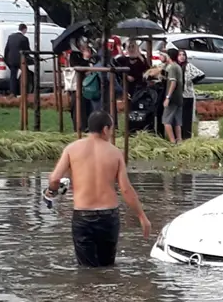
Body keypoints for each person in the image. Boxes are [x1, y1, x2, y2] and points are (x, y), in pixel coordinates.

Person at [45, 111, 151, 267]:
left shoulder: (72, 149)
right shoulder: (115, 153)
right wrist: (142, 217)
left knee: (87, 270)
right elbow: (126, 189)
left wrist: (52, 191)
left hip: (83, 216)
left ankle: (89, 290)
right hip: (109, 216)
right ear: (105, 129)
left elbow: (54, 178)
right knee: (107, 266)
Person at [177, 50, 205, 140]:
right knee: (179, 117)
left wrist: (192, 81)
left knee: (187, 118)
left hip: (188, 95)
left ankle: (187, 136)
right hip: (178, 95)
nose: (182, 57)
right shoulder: (176, 66)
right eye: (180, 55)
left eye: (183, 55)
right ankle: (180, 136)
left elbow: (201, 74)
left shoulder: (189, 66)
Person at [161, 48, 184, 143]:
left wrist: (167, 97)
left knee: (166, 120)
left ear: (168, 56)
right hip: (179, 97)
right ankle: (179, 140)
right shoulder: (177, 66)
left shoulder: (173, 67)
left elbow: (173, 83)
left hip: (173, 98)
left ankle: (172, 141)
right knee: (177, 121)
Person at [3, 24, 30, 96]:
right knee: (26, 75)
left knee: (13, 77)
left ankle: (12, 93)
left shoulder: (11, 37)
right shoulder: (24, 39)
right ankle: (24, 90)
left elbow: (6, 49)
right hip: (21, 60)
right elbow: (27, 51)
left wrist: (6, 60)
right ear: (24, 29)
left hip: (11, 60)